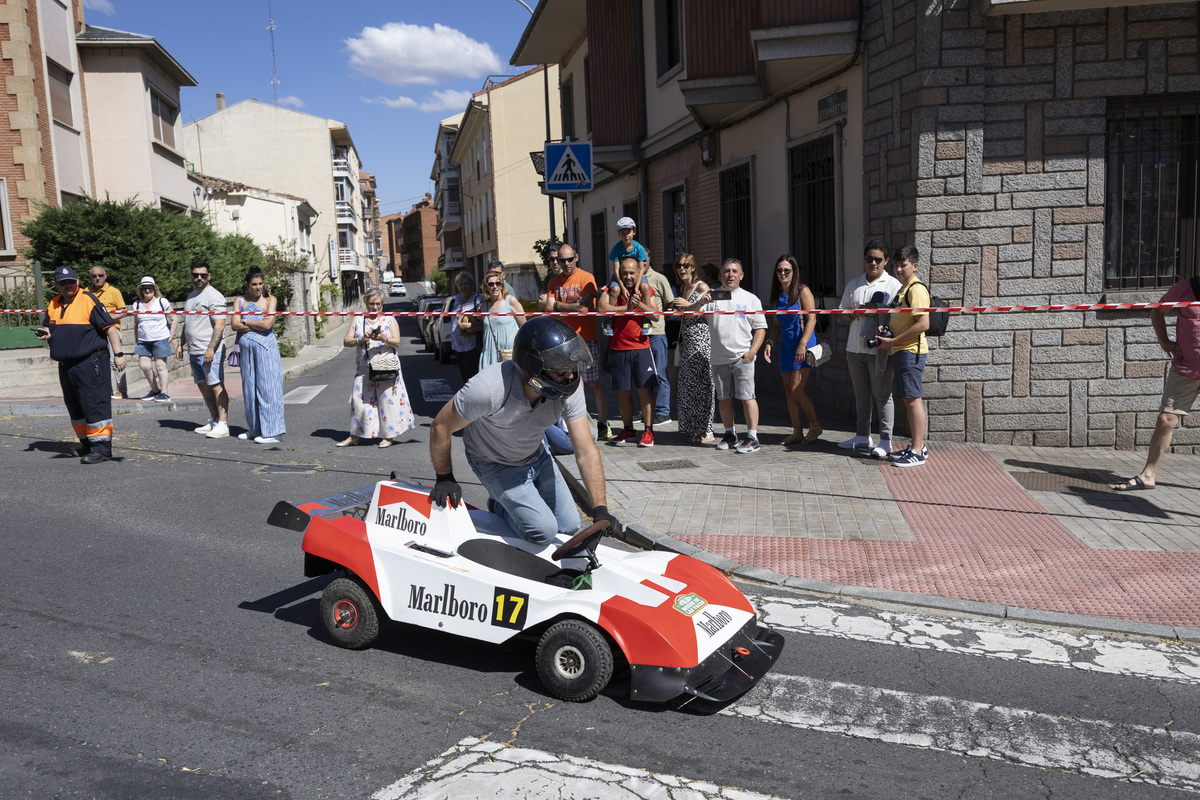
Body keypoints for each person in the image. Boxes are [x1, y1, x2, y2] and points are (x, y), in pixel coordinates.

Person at [428, 316, 619, 545]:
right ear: (533, 369)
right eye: (561, 371)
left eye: (571, 368)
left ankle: (512, 504)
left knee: (569, 526)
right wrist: (445, 478)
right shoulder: (488, 389)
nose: (570, 376)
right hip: (494, 463)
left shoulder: (569, 386)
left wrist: (600, 508)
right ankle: (500, 505)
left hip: (536, 454)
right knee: (543, 532)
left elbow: (586, 450)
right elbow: (440, 426)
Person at [1114, 277, 1200, 491]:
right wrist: (1164, 341)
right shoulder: (1186, 288)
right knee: (1165, 420)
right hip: (1186, 370)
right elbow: (1157, 311)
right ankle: (1148, 475)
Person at [35, 266, 126, 464]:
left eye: (72, 282)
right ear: (56, 284)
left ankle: (102, 449)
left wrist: (118, 354)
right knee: (75, 406)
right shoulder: (54, 303)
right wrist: (47, 333)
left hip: (91, 362)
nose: (69, 286)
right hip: (67, 365)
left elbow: (109, 327)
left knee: (94, 404)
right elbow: (52, 327)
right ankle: (87, 445)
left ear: (77, 281)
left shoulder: (88, 299)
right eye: (63, 283)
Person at [683, 258, 767, 454]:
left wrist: (752, 352)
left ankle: (753, 437)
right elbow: (688, 314)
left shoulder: (750, 299)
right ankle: (730, 435)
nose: (730, 274)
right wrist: (700, 303)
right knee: (724, 399)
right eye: (726, 271)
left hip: (742, 358)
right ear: (721, 275)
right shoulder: (711, 297)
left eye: (734, 271)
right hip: (718, 359)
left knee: (747, 398)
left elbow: (761, 328)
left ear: (741, 275)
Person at [540, 243, 613, 440]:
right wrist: (564, 306)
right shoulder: (554, 281)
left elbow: (583, 309)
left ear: (576, 258)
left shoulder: (586, 278)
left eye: (569, 259)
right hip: (562, 340)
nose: (565, 263)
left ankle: (603, 424)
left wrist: (558, 306)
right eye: (561, 260)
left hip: (586, 338)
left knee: (594, 383)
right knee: (571, 384)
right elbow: (548, 309)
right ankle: (576, 426)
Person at [839, 240, 903, 458]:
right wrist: (857, 312)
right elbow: (842, 313)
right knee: (861, 394)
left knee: (883, 395)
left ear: (885, 261)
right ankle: (862, 435)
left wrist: (877, 313)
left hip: (879, 350)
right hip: (854, 349)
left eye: (878, 259)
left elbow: (900, 315)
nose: (873, 263)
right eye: (869, 259)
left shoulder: (893, 285)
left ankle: (886, 441)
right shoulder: (854, 284)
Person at [872, 245, 930, 468]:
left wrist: (894, 341)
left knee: (913, 400)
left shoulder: (915, 289)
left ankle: (918, 450)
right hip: (901, 349)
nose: (898, 269)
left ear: (915, 266)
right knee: (909, 399)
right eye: (896, 264)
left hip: (910, 351)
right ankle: (917, 447)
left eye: (903, 265)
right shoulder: (903, 289)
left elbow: (923, 324)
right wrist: (887, 333)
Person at [338, 288, 415, 448]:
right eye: (371, 304)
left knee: (388, 401)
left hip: (386, 365)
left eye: (378, 304)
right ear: (366, 303)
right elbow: (346, 341)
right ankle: (355, 435)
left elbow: (397, 342)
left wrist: (383, 338)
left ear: (382, 304)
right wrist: (361, 339)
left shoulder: (389, 319)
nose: (375, 307)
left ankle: (389, 436)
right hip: (364, 367)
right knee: (359, 401)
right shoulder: (359, 319)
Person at [598, 257, 661, 446]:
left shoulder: (645, 289)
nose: (628, 276)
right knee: (622, 392)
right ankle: (628, 430)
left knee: (644, 390)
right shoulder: (611, 289)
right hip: (617, 348)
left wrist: (639, 305)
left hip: (641, 348)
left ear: (638, 273)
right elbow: (601, 308)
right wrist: (627, 308)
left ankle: (648, 431)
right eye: (624, 272)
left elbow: (656, 315)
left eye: (632, 273)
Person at [763, 255, 822, 445]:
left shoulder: (802, 290)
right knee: (789, 391)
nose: (782, 274)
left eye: (786, 270)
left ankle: (815, 427)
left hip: (804, 346)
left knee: (797, 389)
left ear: (794, 271)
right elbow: (776, 324)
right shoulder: (778, 295)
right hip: (787, 348)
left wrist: (803, 344)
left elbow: (812, 319)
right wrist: (770, 341)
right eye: (779, 270)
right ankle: (797, 431)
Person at [231, 267, 286, 444]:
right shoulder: (239, 300)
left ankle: (273, 431)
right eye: (254, 284)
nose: (257, 287)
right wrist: (256, 322)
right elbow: (234, 325)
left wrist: (245, 321)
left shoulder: (271, 300)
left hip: (266, 348)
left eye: (260, 284)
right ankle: (255, 428)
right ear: (247, 284)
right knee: (250, 389)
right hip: (247, 350)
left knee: (268, 388)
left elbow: (268, 324)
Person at [178, 258, 230, 438]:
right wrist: (180, 343)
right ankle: (214, 420)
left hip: (209, 351)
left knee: (216, 385)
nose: (199, 278)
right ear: (191, 276)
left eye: (203, 275)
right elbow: (188, 323)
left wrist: (210, 349)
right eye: (195, 275)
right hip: (194, 350)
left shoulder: (214, 296)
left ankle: (223, 424)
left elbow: (220, 324)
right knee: (203, 386)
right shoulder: (191, 296)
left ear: (209, 276)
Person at [671, 254, 715, 443]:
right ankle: (695, 427)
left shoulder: (701, 287)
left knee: (704, 385)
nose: (682, 269)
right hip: (686, 341)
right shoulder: (683, 288)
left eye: (686, 265)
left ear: (693, 268)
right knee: (690, 386)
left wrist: (689, 305)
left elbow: (709, 315)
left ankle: (708, 429)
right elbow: (687, 315)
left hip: (701, 340)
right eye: (679, 265)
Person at [602, 217, 653, 337]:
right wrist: (622, 287)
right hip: (619, 275)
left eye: (628, 232)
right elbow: (615, 270)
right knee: (614, 290)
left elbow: (641, 269)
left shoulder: (639, 248)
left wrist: (637, 286)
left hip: (637, 275)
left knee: (645, 287)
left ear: (634, 232)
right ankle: (608, 319)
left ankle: (646, 319)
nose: (626, 236)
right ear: (619, 233)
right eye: (623, 233)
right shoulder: (616, 249)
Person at [129, 276, 177, 402]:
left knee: (161, 366)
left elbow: (174, 318)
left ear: (154, 289)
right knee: (144, 366)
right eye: (144, 288)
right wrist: (136, 339)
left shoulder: (162, 302)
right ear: (141, 290)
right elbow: (136, 323)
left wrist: (171, 335)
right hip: (143, 340)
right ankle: (155, 390)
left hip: (160, 338)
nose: (147, 290)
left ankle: (165, 393)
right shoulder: (137, 304)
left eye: (150, 288)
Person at [88, 266, 127, 400]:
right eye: (94, 276)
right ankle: (106, 390)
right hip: (94, 332)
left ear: (105, 276)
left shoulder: (114, 291)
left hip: (112, 330)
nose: (97, 278)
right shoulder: (86, 292)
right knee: (98, 362)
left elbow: (123, 311)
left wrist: (106, 318)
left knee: (115, 360)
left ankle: (122, 390)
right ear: (90, 278)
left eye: (100, 275)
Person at [644, 259, 675, 424]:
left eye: (643, 260)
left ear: (648, 260)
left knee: (660, 373)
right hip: (639, 335)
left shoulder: (659, 278)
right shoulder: (633, 278)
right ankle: (646, 410)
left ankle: (663, 412)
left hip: (656, 333)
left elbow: (670, 302)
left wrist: (663, 319)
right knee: (644, 375)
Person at [478, 268, 526, 370]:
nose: (495, 287)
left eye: (498, 283)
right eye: (491, 284)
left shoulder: (511, 301)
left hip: (508, 354)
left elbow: (524, 327)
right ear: (486, 288)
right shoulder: (483, 306)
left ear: (501, 285)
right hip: (489, 353)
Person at [446, 272, 484, 384]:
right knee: (464, 378)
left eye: (466, 284)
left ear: (472, 285)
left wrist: (467, 325)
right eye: (460, 284)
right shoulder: (457, 298)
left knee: (472, 378)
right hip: (458, 346)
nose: (463, 287)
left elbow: (484, 323)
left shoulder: (478, 300)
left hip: (472, 346)